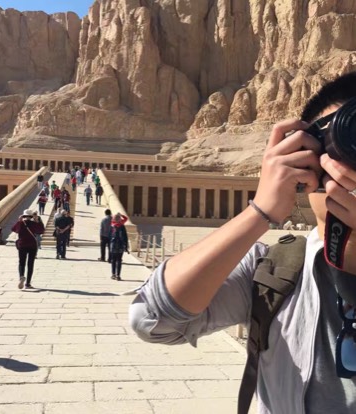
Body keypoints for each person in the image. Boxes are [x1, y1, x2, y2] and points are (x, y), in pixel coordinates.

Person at [129, 72, 356, 413]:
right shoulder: (274, 272)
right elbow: (152, 320)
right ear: (306, 156)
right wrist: (260, 211)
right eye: (348, 140)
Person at [12, 209, 44, 289]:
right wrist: (37, 221)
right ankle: (28, 283)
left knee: (21, 263)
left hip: (22, 245)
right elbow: (41, 230)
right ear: (31, 216)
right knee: (30, 264)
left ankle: (21, 276)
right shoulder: (34, 223)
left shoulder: (21, 223)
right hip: (32, 245)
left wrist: (19, 221)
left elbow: (14, 229)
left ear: (23, 216)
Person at [109, 213, 129, 281]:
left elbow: (109, 236)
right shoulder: (122, 226)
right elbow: (125, 237)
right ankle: (118, 275)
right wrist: (126, 246)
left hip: (113, 245)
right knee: (119, 260)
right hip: (120, 245)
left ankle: (113, 274)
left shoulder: (112, 226)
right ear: (120, 219)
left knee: (113, 260)